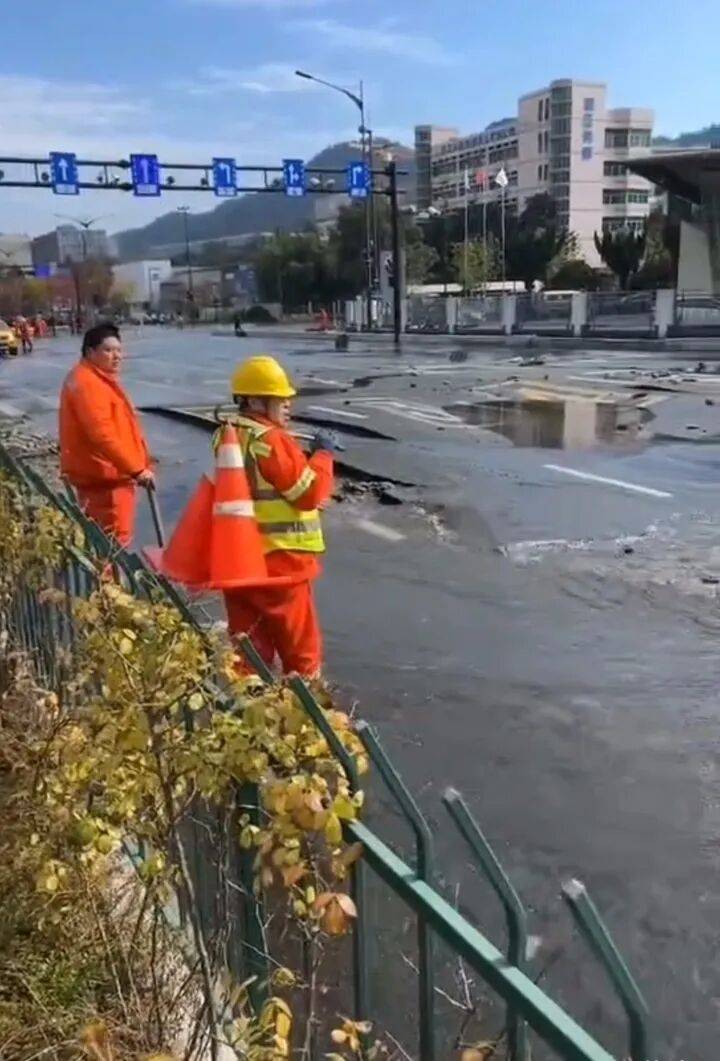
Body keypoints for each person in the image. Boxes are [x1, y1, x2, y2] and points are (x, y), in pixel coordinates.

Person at [220, 355, 340, 678]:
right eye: (279, 399)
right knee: (301, 653)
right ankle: (304, 716)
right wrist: (324, 456)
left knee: (248, 652)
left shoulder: (228, 435)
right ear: (256, 401)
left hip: (240, 563)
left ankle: (249, 718)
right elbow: (309, 493)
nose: (288, 404)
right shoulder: (271, 441)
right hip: (281, 564)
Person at [59, 323, 153, 547]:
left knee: (104, 544)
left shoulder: (91, 378)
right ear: (90, 352)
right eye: (108, 350)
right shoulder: (88, 384)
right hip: (107, 478)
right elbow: (102, 434)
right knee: (113, 547)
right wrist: (136, 469)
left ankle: (107, 580)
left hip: (104, 475)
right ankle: (109, 582)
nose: (117, 356)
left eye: (119, 350)